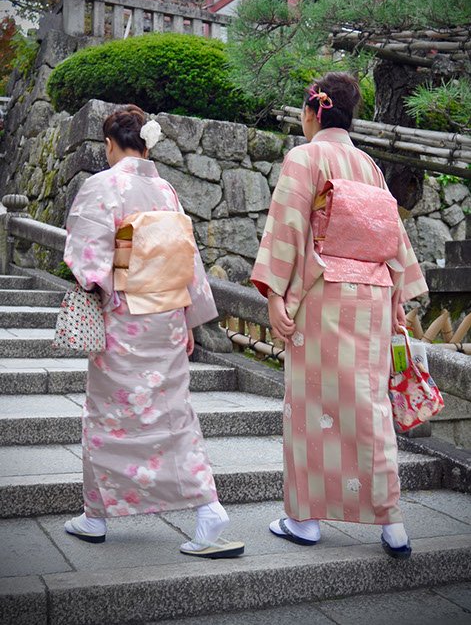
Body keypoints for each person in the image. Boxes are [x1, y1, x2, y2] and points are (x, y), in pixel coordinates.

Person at [251, 72, 428, 559]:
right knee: (369, 405)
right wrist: (397, 297)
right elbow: (392, 238)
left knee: (310, 406)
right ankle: (391, 521)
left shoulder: (305, 157)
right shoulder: (368, 165)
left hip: (322, 294)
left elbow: (287, 227)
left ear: (313, 112)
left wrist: (274, 295)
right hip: (373, 298)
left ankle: (304, 519)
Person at [62, 105, 244, 559]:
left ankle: (96, 516)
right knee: (173, 416)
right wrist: (187, 316)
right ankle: (203, 509)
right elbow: (188, 259)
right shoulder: (166, 190)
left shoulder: (102, 185)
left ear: (110, 144)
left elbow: (87, 259)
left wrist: (104, 286)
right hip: (166, 319)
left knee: (106, 417)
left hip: (123, 319)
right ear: (146, 145)